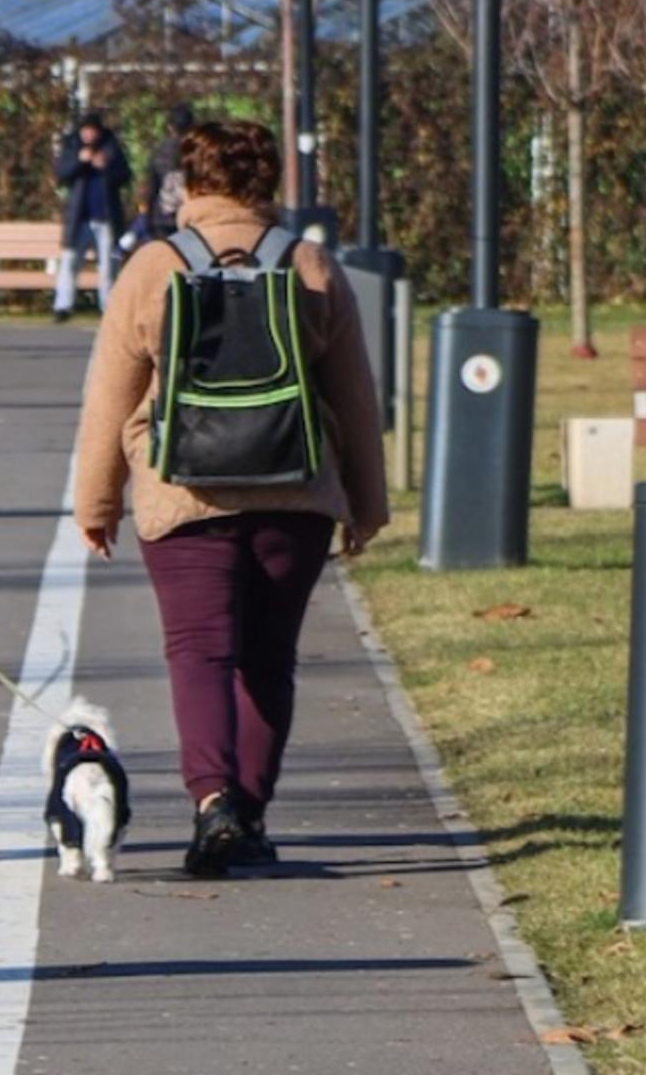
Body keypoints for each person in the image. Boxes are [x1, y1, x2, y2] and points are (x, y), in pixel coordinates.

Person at [71, 120, 389, 877]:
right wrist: (364, 506)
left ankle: (211, 800)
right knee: (269, 660)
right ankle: (248, 812)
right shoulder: (310, 264)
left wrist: (97, 503)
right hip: (296, 494)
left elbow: (109, 398)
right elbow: (353, 392)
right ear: (267, 182)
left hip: (185, 493)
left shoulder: (153, 266)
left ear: (191, 183)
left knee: (199, 653)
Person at [53, 112, 132, 323]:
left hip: (105, 218)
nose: (88, 134)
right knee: (70, 262)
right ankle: (63, 306)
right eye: (85, 130)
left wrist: (106, 167)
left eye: (92, 131)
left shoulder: (111, 147)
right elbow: (61, 173)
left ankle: (107, 307)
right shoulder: (71, 146)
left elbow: (125, 175)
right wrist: (80, 161)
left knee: (107, 266)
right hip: (79, 218)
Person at [143, 102, 195, 239]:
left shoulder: (159, 152)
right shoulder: (197, 152)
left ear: (170, 127)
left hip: (162, 216)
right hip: (189, 216)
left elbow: (152, 188)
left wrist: (148, 217)